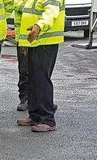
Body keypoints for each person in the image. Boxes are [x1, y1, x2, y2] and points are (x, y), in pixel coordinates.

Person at [14, 0, 65, 132]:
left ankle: (48, 119)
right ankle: (35, 116)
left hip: (46, 40)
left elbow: (51, 12)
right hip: (33, 41)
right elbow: (22, 16)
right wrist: (22, 41)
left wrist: (39, 26)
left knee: (42, 79)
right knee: (33, 78)